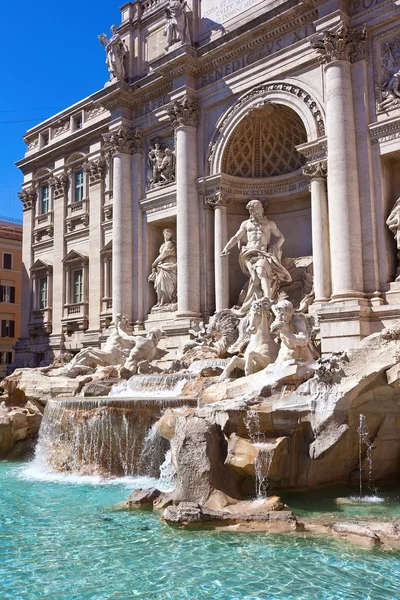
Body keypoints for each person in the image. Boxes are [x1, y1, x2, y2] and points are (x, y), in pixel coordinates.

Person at [221, 199, 291, 311]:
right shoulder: (246, 224)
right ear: (251, 211)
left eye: (259, 208)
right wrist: (226, 248)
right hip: (248, 253)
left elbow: (281, 237)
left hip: (263, 253)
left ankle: (267, 299)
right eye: (254, 209)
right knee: (255, 278)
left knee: (261, 271)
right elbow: (236, 237)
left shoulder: (269, 224)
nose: (257, 211)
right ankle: (259, 301)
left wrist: (274, 248)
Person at [148, 229, 177, 309]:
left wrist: (154, 262)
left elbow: (164, 254)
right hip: (162, 265)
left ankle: (168, 301)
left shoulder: (169, 243)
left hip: (169, 264)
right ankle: (162, 302)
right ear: (163, 234)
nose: (167, 236)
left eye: (169, 234)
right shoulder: (162, 244)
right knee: (159, 283)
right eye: (166, 234)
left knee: (167, 283)